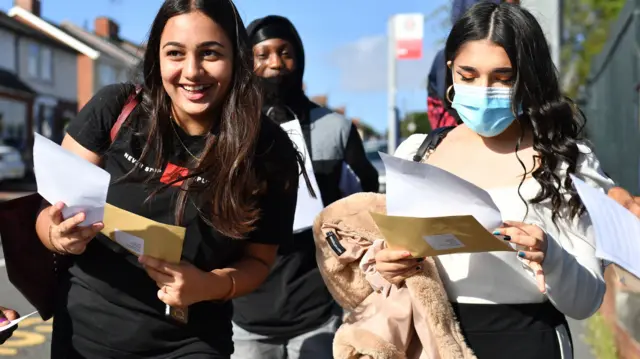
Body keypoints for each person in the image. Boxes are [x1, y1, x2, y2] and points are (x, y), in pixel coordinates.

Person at [336, 3, 614, 358]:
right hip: (434, 341)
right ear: (450, 70)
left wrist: (551, 255)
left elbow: (586, 301)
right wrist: (387, 266)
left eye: (503, 77)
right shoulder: (417, 153)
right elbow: (390, 264)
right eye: (468, 75)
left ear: (529, 77)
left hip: (531, 340)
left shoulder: (568, 160)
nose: (484, 90)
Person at [33, 1, 300, 358]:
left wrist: (207, 285)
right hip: (85, 336)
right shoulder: (116, 109)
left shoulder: (269, 150)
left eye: (210, 53)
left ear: (237, 57)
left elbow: (260, 262)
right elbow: (48, 212)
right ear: (156, 58)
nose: (192, 71)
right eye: (175, 53)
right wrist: (56, 235)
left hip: (193, 343)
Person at [229, 15, 379, 359]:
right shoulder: (230, 130)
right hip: (246, 312)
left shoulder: (335, 128)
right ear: (245, 62)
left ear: (301, 59)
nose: (275, 64)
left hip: (319, 309)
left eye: (285, 53)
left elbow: (365, 207)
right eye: (262, 54)